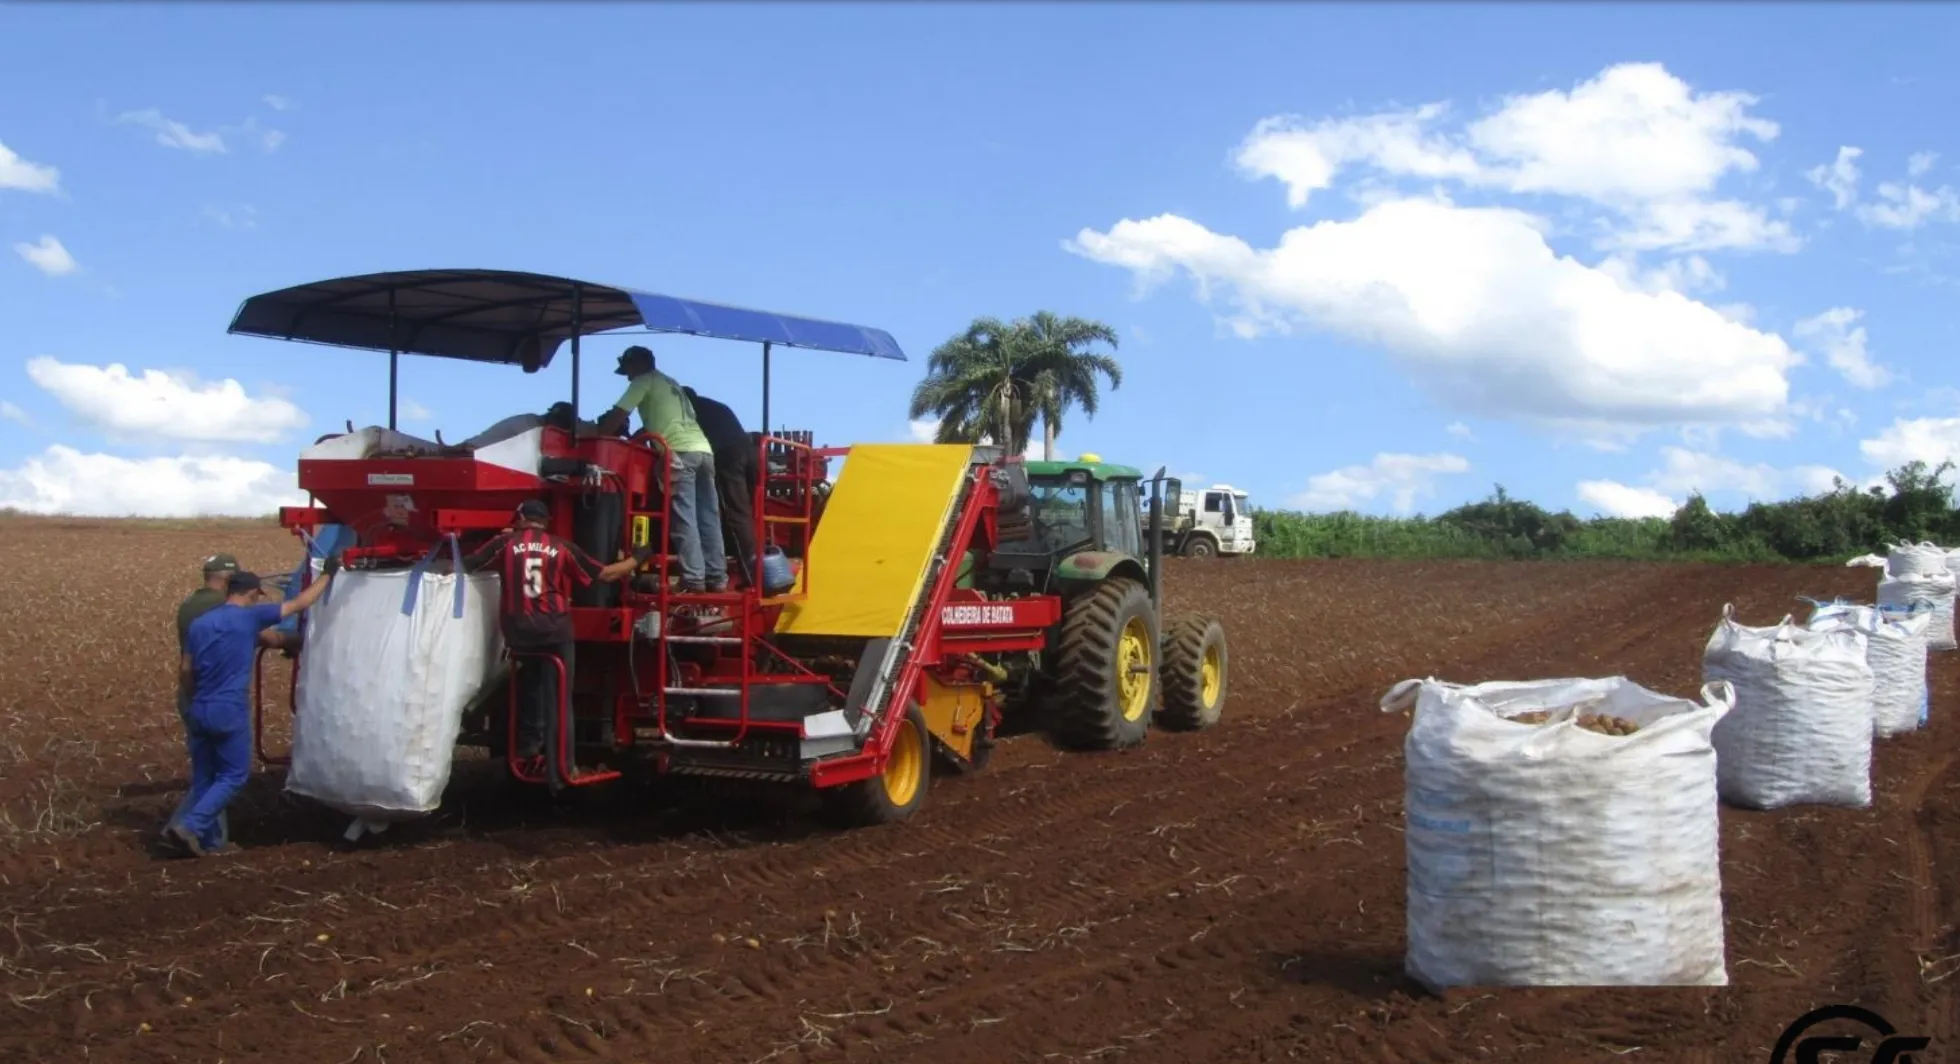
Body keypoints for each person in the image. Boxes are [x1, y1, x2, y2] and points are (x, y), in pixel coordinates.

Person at [443, 500, 639, 777]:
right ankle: (564, 765)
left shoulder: (504, 543)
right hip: (554, 631)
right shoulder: (561, 547)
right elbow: (605, 574)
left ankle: (528, 750)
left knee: (529, 688)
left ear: (521, 518)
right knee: (559, 698)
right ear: (546, 521)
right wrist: (639, 557)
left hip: (519, 632)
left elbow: (464, 567)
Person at [171, 563, 340, 857]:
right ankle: (190, 826)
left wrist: (194, 696)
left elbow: (185, 670)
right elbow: (301, 603)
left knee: (204, 778)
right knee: (234, 774)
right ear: (251, 593)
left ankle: (211, 843)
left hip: (198, 706)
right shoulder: (251, 618)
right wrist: (328, 573)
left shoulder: (200, 624)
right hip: (228, 709)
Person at [593, 345, 727, 593]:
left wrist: (596, 436)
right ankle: (717, 577)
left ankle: (694, 578)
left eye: (628, 371)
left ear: (635, 365)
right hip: (703, 451)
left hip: (679, 452)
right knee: (708, 517)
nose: (628, 377)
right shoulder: (671, 383)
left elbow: (618, 415)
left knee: (684, 517)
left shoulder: (643, 381)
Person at [681, 386, 760, 589]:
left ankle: (751, 576)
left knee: (734, 515)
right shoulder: (714, 405)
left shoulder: (689, 411)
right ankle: (754, 568)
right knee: (745, 512)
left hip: (727, 456)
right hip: (749, 451)